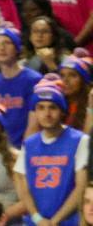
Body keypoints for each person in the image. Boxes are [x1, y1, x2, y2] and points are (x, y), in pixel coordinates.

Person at [12, 80, 87, 226]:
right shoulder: (29, 143)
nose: (47, 114)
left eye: (52, 107)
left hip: (69, 222)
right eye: (41, 108)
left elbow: (81, 187)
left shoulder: (80, 140)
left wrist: (54, 221)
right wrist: (37, 218)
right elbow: (22, 184)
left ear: (62, 111)